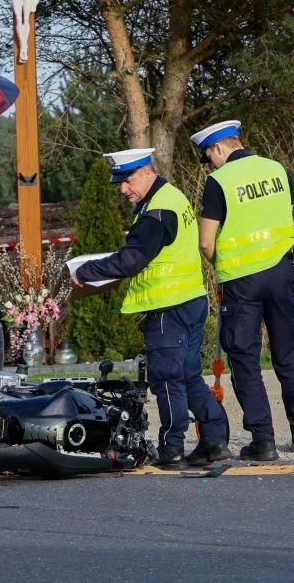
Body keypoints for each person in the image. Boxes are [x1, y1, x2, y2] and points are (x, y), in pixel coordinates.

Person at [72, 148, 229, 467]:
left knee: (168, 379)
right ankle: (214, 440)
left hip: (167, 309)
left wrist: (84, 272)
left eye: (127, 180)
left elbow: (131, 260)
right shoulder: (171, 197)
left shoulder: (156, 212)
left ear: (145, 171)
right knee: (188, 376)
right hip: (191, 301)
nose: (122, 188)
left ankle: (172, 449)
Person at [191, 120, 294, 461]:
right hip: (281, 272)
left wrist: (221, 262)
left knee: (245, 359)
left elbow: (206, 243)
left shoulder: (218, 182)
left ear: (218, 148)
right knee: (288, 352)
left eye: (208, 156)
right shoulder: (277, 170)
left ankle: (263, 440)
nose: (210, 163)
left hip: (241, 281)